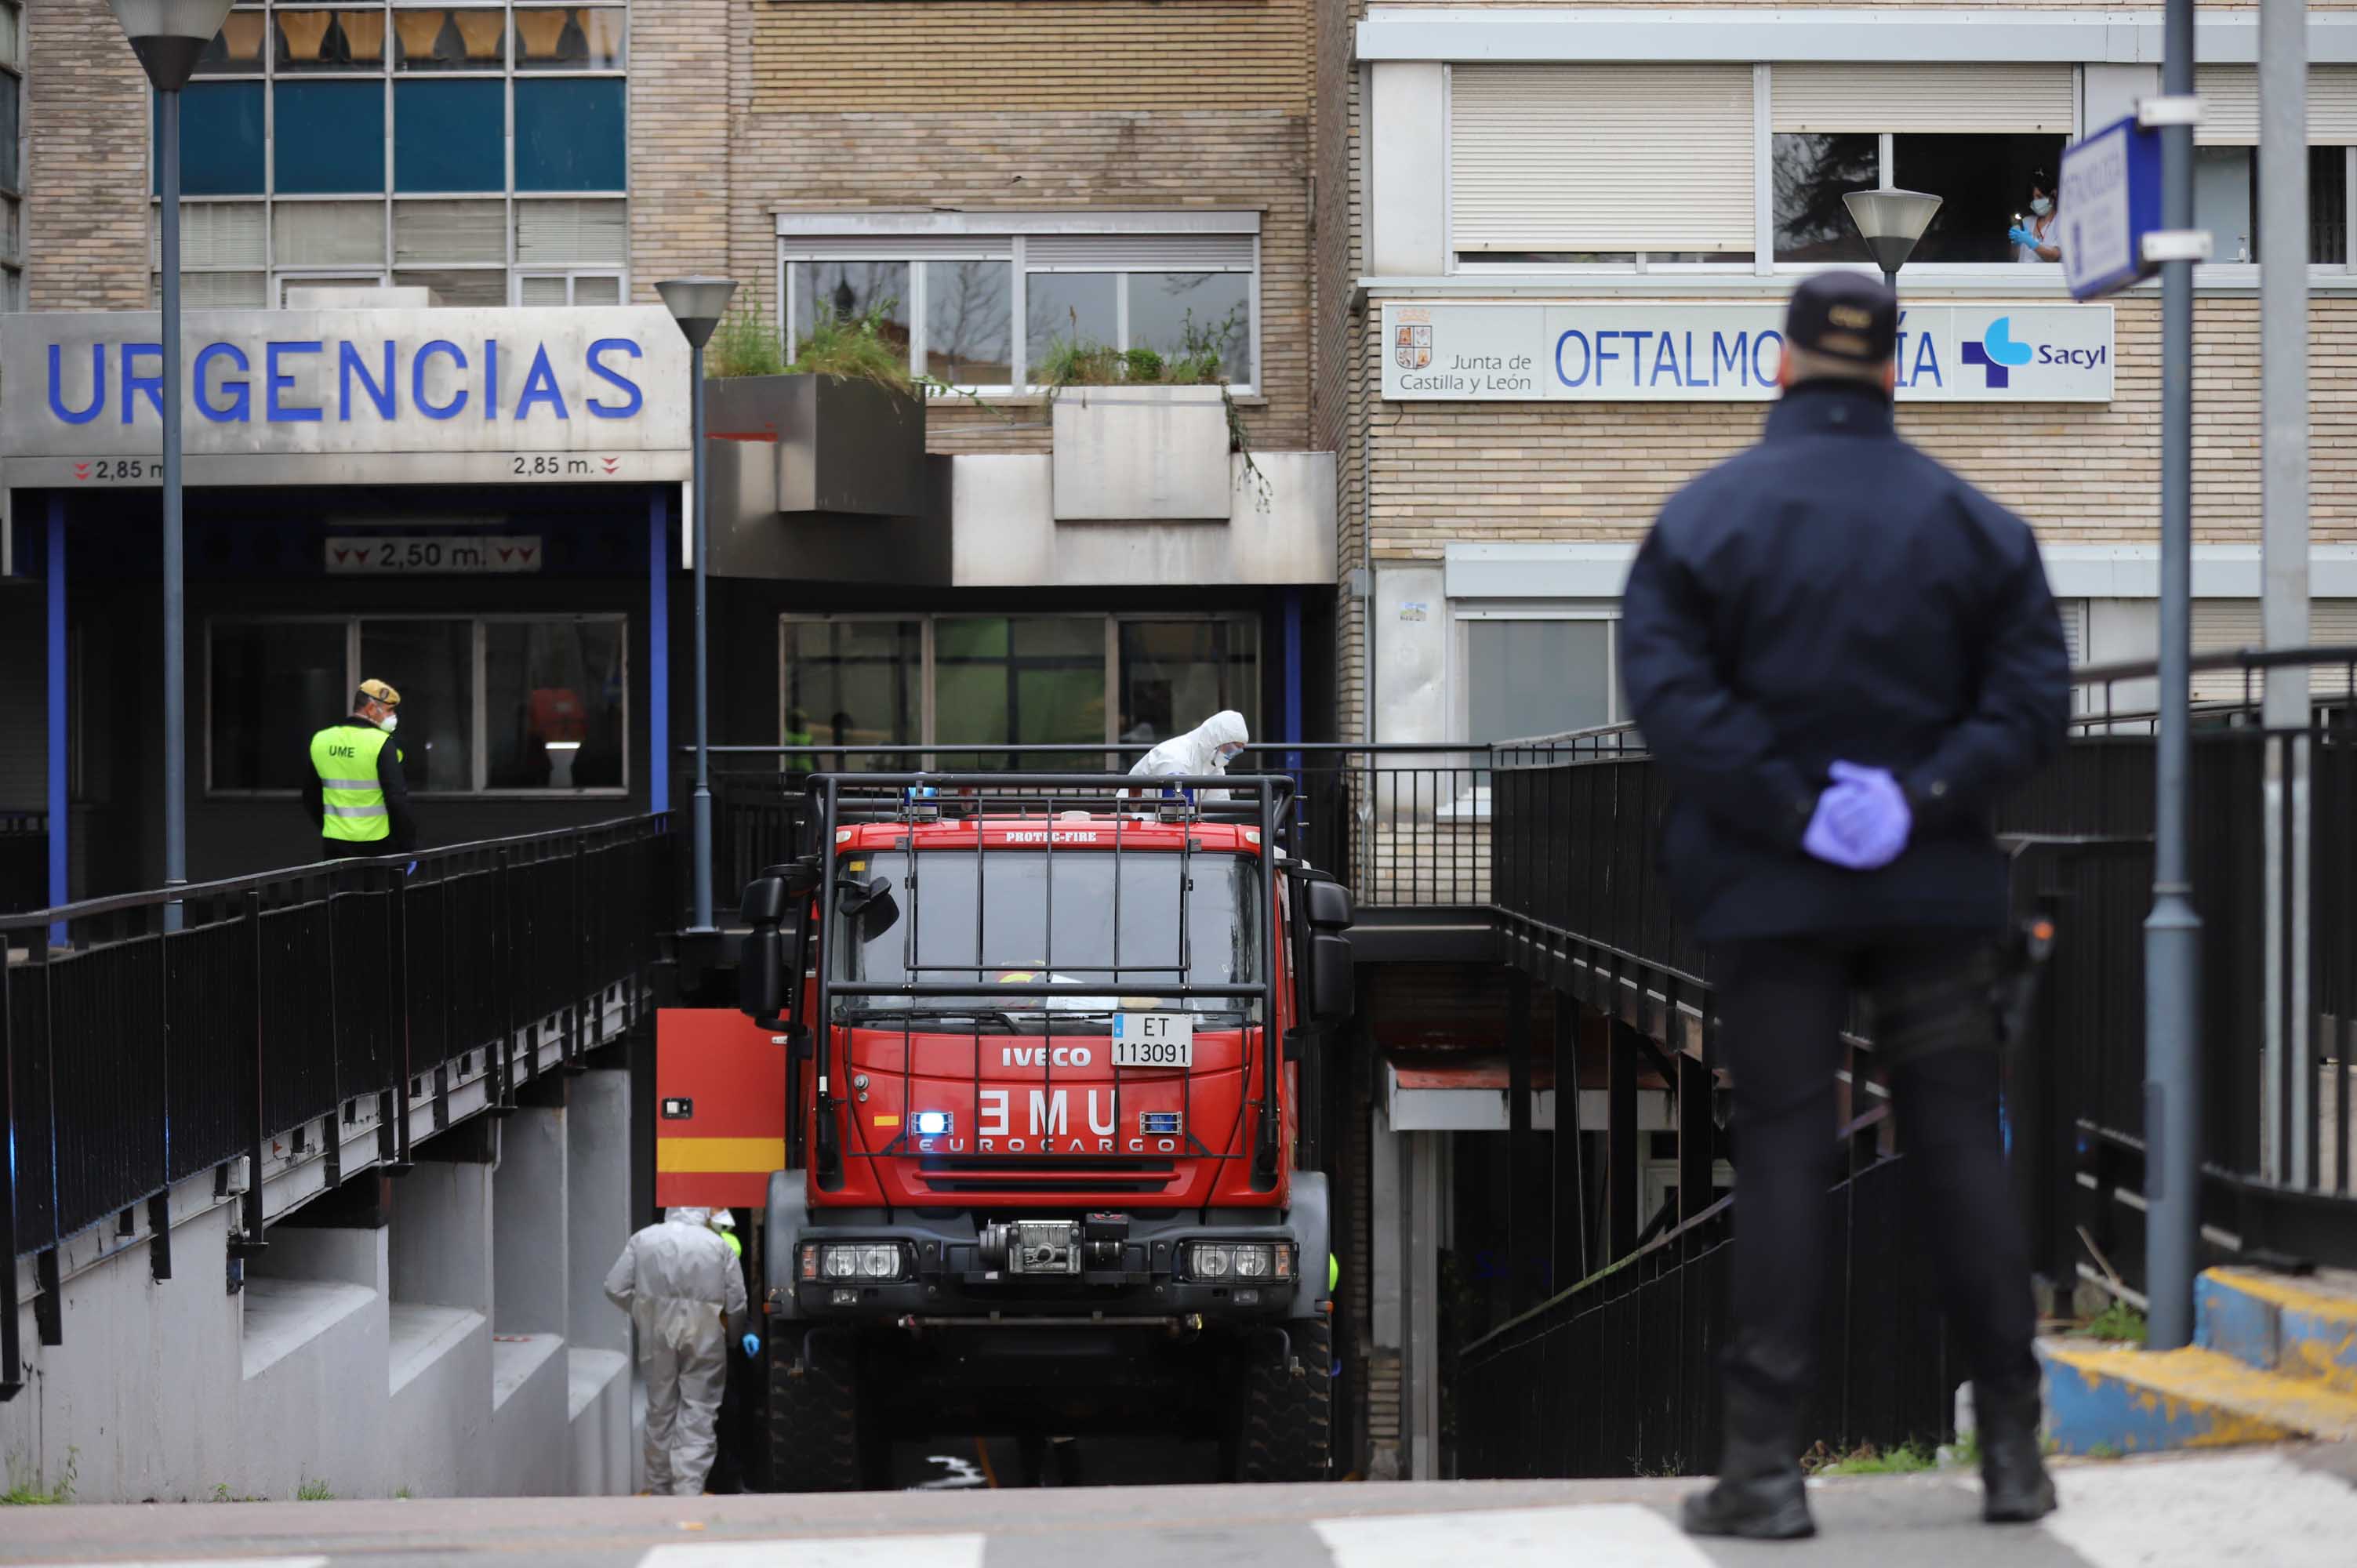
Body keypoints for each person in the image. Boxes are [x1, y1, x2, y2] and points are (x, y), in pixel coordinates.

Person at [1618, 272, 2070, 1541]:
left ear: (1781, 365)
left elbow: (1671, 699)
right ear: (1893, 373)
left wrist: (1792, 802)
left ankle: (1764, 1469)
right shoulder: (1975, 525)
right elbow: (2033, 704)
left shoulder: (1705, 521)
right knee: (1954, 1143)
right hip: (1931, 891)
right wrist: (1917, 794)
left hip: (1769, 894)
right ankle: (2016, 1455)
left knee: (1779, 1153)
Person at [605, 1207, 756, 1497]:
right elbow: (737, 1303)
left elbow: (614, 1287)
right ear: (702, 1214)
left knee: (660, 1409)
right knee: (698, 1411)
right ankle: (688, 1489)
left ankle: (660, 1488)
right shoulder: (718, 1245)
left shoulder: (643, 1239)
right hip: (706, 1333)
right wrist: (733, 1338)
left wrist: (644, 1310)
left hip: (657, 1331)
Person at [303, 678, 418, 862]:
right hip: (378, 848)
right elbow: (397, 799)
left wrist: (330, 827)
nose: (393, 716)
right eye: (389, 710)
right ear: (372, 709)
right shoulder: (381, 743)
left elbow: (310, 796)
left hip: (335, 847)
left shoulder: (322, 740)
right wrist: (407, 847)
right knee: (379, 893)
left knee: (341, 893)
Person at [1124, 710, 1249, 802]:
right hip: (1134, 823)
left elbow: (1220, 808)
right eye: (1232, 748)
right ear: (1217, 740)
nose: (1231, 755)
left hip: (1165, 825)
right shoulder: (1176, 758)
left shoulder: (1213, 764)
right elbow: (1173, 815)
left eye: (1238, 751)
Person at [2010, 172, 2063, 263]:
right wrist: (2015, 244)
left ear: (2054, 194)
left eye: (2039, 197)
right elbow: (2014, 257)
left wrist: (2031, 242)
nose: (2035, 201)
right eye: (2033, 198)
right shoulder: (2026, 222)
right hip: (2022, 276)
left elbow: (2054, 256)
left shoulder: (2063, 222)